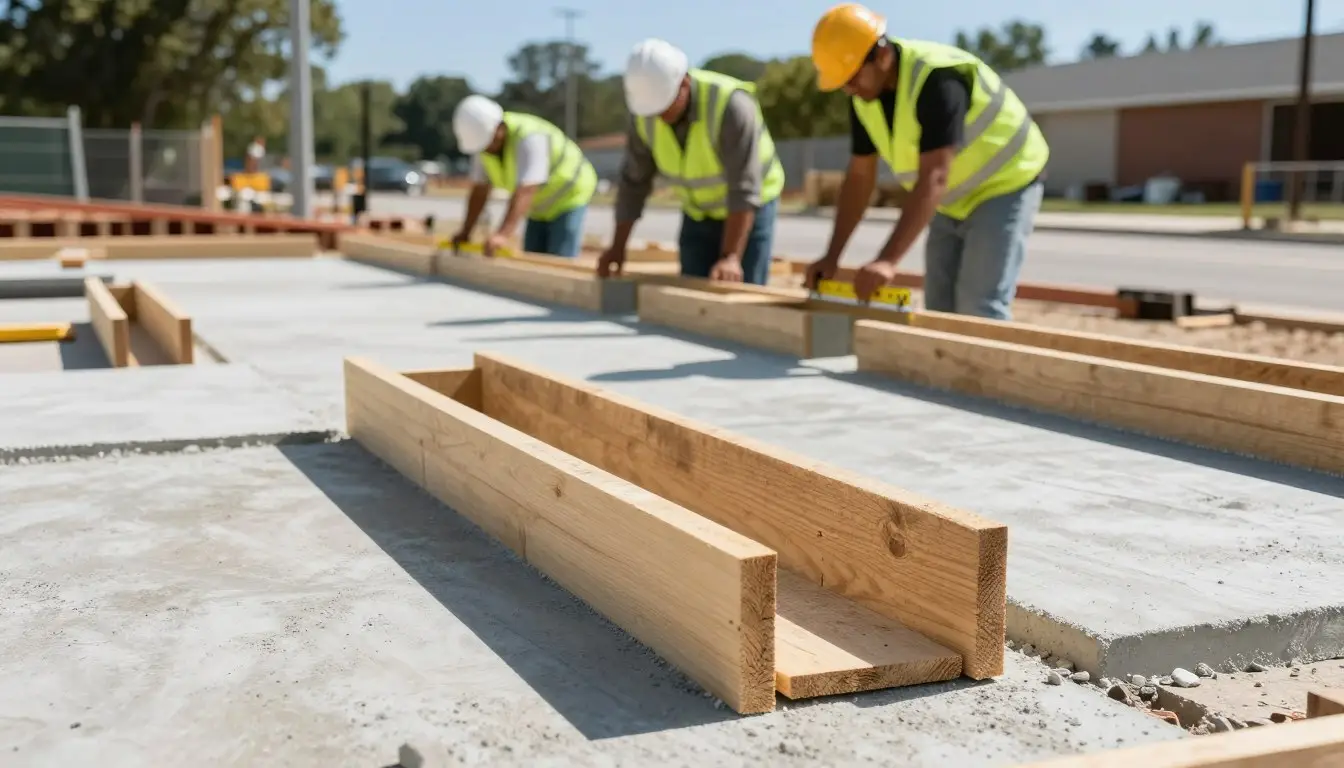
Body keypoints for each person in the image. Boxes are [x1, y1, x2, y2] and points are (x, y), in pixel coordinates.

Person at [805, 3, 1049, 320]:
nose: (848, 89)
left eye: (852, 78)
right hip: (951, 199)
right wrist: (832, 256)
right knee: (940, 308)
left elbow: (934, 176)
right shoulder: (864, 99)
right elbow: (860, 179)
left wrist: (887, 260)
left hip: (1005, 182)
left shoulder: (938, 80)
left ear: (881, 55)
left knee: (979, 305)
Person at [597, 38, 786, 285]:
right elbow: (634, 183)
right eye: (653, 111)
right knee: (692, 297)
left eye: (665, 106)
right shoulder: (645, 115)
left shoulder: (731, 106)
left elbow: (744, 189)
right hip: (698, 213)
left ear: (684, 83)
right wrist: (617, 247)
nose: (660, 117)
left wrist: (730, 257)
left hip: (750, 209)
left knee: (744, 293)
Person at [450, 95, 597, 258]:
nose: (487, 150)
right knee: (532, 258)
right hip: (538, 204)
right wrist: (466, 232)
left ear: (499, 127)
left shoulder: (530, 137)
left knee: (559, 260)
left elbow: (527, 189)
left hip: (569, 194)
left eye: (490, 142)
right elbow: (479, 191)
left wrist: (502, 235)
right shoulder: (483, 147)